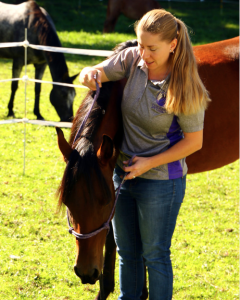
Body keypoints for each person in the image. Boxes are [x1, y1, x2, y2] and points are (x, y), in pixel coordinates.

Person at [79, 9, 210, 300]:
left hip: (162, 181)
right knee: (127, 253)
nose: (144, 54)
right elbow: (98, 71)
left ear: (173, 44)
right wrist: (89, 73)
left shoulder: (187, 86)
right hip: (123, 176)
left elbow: (194, 143)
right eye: (140, 44)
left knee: (155, 254)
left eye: (152, 48)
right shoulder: (132, 60)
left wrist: (149, 162)